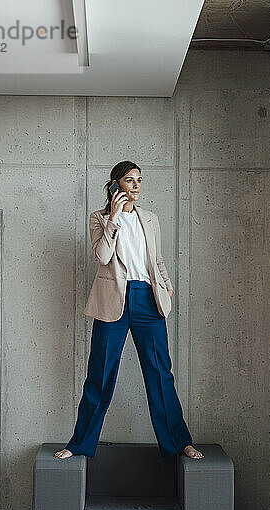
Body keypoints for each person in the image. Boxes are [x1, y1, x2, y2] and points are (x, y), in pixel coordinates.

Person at [54, 160, 203, 460]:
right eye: (129, 180)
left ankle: (179, 442)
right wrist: (113, 217)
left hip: (148, 298)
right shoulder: (100, 218)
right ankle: (79, 444)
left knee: (161, 373)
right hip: (114, 301)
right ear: (115, 185)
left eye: (139, 180)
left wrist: (166, 284)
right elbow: (102, 255)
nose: (136, 185)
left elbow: (156, 259)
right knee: (100, 373)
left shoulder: (150, 219)